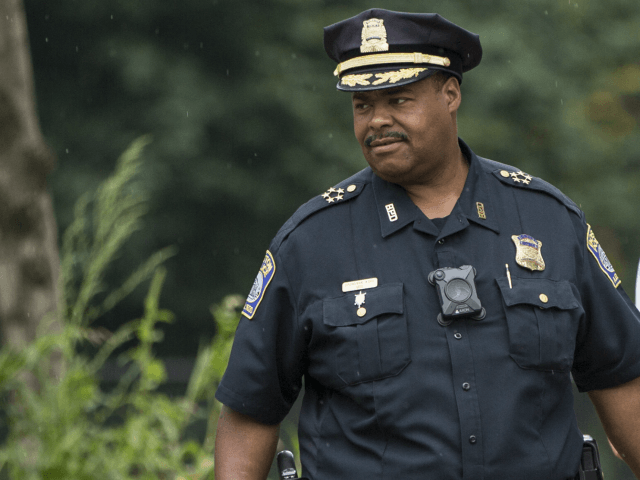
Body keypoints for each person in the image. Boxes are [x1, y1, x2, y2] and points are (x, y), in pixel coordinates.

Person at [214, 9, 640, 480]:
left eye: (398, 100)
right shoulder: (311, 242)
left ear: (451, 94)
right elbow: (249, 413)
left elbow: (623, 382)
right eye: (362, 105)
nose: (377, 121)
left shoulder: (549, 221)